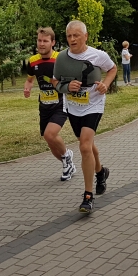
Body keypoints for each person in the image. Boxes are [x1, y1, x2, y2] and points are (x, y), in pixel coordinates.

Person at [53, 20, 117, 214]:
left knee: (84, 146)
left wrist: (105, 84)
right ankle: (101, 172)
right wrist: (66, 87)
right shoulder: (61, 58)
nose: (72, 39)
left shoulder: (98, 55)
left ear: (86, 36)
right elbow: (55, 81)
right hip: (73, 107)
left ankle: (88, 196)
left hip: (94, 104)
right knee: (87, 144)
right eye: (69, 36)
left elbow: (112, 69)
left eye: (76, 35)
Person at [23, 27, 77, 181]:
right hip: (44, 105)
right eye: (39, 40)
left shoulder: (60, 59)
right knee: (49, 141)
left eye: (45, 41)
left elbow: (71, 77)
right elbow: (30, 79)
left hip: (60, 103)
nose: (41, 44)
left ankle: (67, 157)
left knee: (50, 134)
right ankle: (68, 162)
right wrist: (27, 88)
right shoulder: (33, 61)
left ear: (52, 42)